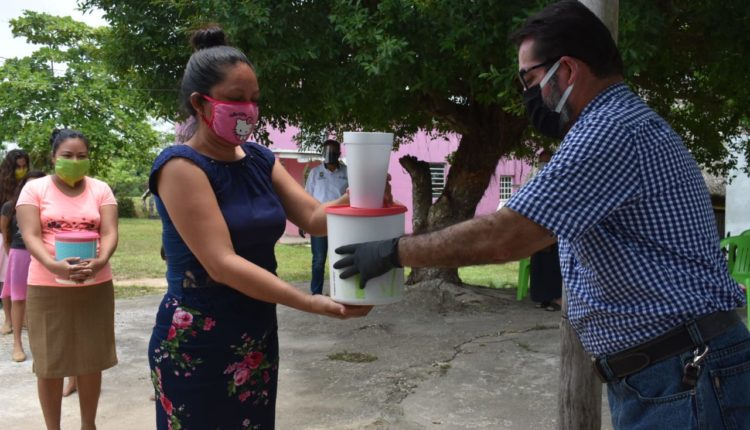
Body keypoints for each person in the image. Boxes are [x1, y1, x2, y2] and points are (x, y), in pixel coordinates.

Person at [333, 2, 749, 428]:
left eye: (529, 80)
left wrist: (393, 251)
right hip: (671, 372)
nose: (526, 96)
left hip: (686, 374)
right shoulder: (615, 124)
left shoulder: (611, 130)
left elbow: (506, 235)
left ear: (565, 70)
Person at [147, 26, 373, 429]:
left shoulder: (259, 159)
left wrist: (362, 197)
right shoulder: (180, 166)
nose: (249, 110)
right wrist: (310, 302)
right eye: (236, 99)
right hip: (198, 339)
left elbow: (314, 218)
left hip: (255, 332)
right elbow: (221, 264)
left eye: (254, 100)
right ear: (200, 103)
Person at [17, 128, 119, 430]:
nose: (75, 161)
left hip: (95, 284)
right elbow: (30, 234)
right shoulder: (34, 190)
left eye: (81, 156)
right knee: (50, 364)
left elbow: (110, 231)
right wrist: (53, 265)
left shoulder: (101, 189)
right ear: (53, 157)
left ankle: (89, 424)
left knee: (91, 360)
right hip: (47, 286)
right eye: (67, 155)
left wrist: (101, 261)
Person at [0, 169, 45, 362]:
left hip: (46, 254)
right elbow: (5, 233)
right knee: (18, 298)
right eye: (30, 184)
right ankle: (17, 344)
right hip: (20, 252)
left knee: (44, 298)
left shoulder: (51, 205)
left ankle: (43, 343)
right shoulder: (11, 206)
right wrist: (11, 255)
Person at [303, 139, 348, 295]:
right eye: (327, 152)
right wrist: (303, 222)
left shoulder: (347, 173)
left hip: (341, 222)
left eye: (333, 152)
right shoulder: (315, 173)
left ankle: (341, 292)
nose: (330, 155)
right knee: (319, 260)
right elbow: (307, 197)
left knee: (341, 258)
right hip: (319, 221)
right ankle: (316, 294)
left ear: (339, 154)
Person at [527, 150, 562, 312]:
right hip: (537, 228)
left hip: (554, 231)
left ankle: (557, 299)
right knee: (538, 265)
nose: (543, 164)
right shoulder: (534, 178)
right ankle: (543, 298)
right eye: (541, 161)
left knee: (553, 266)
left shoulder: (559, 178)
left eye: (546, 161)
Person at [0, 149, 30, 335]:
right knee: (6, 279)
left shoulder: (29, 185)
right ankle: (8, 320)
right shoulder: (2, 187)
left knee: (23, 279)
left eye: (24, 166)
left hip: (23, 238)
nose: (21, 170)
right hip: (4, 236)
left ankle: (23, 317)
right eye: (18, 167)